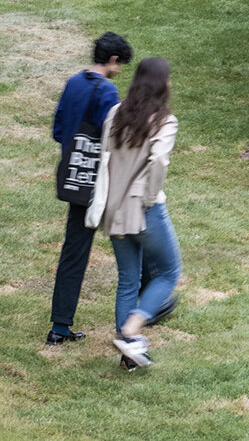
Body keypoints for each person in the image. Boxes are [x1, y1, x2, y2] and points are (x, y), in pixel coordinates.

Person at [86, 56, 182, 369]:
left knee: (128, 278)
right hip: (144, 209)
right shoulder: (164, 120)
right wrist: (150, 197)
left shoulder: (115, 113)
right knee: (169, 272)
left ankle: (128, 352)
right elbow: (158, 162)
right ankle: (131, 328)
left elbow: (106, 158)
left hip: (113, 209)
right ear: (161, 84)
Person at [47, 31, 133, 345]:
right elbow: (115, 140)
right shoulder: (107, 91)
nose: (119, 69)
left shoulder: (73, 82)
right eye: (120, 63)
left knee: (74, 251)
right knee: (136, 232)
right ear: (112, 60)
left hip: (74, 178)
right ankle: (155, 300)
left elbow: (59, 129)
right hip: (98, 183)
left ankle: (60, 325)